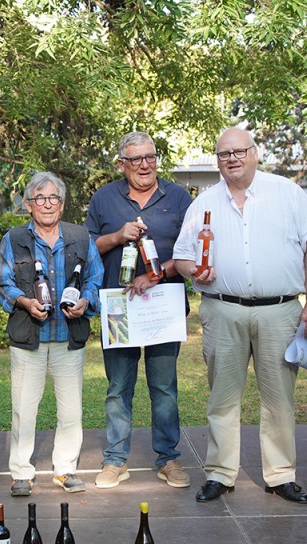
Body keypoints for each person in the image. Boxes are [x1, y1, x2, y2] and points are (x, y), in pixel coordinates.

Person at [172, 127, 307, 504]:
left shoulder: (287, 193)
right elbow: (182, 257)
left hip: (280, 310)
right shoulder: (203, 203)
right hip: (223, 310)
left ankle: (281, 475)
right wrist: (194, 271)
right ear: (217, 160)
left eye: (239, 151)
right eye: (224, 154)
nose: (232, 159)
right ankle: (221, 473)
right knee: (222, 398)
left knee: (279, 399)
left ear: (255, 153)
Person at [85, 131, 192, 491]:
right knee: (118, 387)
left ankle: (168, 458)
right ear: (122, 164)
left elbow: (191, 252)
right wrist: (117, 236)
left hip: (163, 305)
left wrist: (157, 274)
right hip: (119, 308)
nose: (145, 165)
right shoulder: (104, 198)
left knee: (164, 387)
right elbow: (87, 249)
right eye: (136, 159)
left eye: (150, 157)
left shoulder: (177, 197)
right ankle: (116, 460)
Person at [0, 171, 104, 497]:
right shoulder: (13, 239)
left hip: (68, 337)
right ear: (29, 205)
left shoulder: (80, 237)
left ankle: (66, 469)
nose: (46, 204)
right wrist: (25, 302)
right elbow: (4, 283)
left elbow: (95, 278)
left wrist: (86, 301)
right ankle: (21, 473)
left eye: (53, 197)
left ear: (63, 203)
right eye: (39, 198)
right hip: (29, 338)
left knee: (71, 410)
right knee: (23, 409)